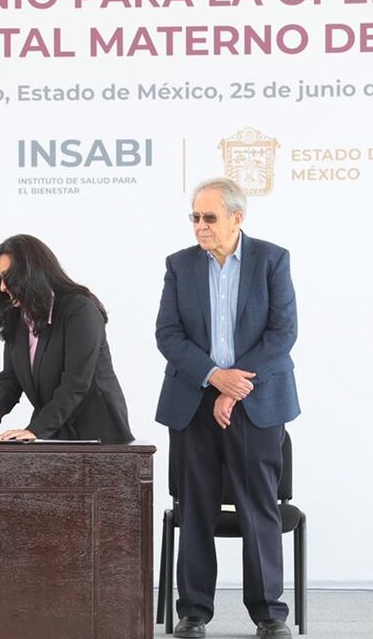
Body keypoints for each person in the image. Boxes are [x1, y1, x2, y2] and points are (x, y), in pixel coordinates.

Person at [155, 177, 299, 639]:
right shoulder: (179, 266)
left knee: (260, 507)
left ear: (237, 217)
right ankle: (193, 613)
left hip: (256, 403)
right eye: (194, 217)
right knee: (194, 507)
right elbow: (168, 334)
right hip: (194, 403)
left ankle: (269, 614)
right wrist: (215, 377)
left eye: (209, 217)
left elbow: (282, 333)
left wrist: (233, 387)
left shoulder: (271, 260)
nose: (200, 226)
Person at [0, 234, 133, 443]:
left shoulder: (80, 309)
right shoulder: (16, 315)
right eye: (0, 279)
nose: (3, 287)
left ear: (32, 273)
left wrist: (35, 430)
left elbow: (76, 383)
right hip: (52, 430)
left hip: (97, 434)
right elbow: (11, 377)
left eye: (7, 277)